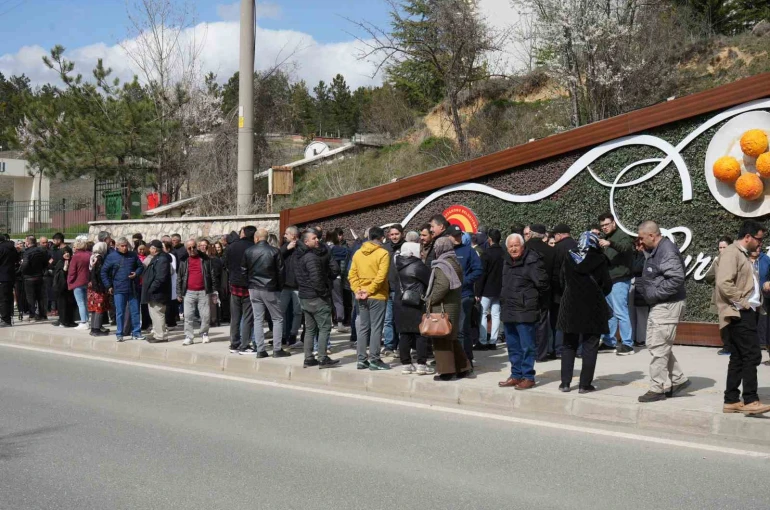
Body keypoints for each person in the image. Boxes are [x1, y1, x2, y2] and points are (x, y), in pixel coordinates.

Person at [715, 221, 770, 415]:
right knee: (752, 355)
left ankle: (731, 400)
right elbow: (724, 283)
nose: (760, 243)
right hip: (740, 312)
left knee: (738, 356)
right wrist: (743, 303)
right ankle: (751, 400)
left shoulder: (742, 254)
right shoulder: (732, 253)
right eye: (759, 239)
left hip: (746, 311)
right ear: (748, 237)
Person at [635, 221, 689, 403]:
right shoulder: (657, 250)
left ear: (652, 235)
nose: (640, 241)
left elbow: (676, 278)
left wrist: (654, 294)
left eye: (642, 238)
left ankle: (656, 388)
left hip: (667, 304)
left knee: (658, 346)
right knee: (656, 344)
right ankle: (679, 379)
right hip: (663, 304)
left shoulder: (666, 250)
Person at [557, 232, 613, 393]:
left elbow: (561, 280)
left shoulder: (569, 256)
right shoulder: (600, 259)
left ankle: (565, 383)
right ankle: (584, 384)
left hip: (570, 305)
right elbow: (607, 285)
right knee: (590, 345)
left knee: (568, 344)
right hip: (593, 306)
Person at [498, 233, 550, 390]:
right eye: (511, 246)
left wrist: (533, 302)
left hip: (525, 310)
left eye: (516, 245)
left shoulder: (532, 260)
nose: (513, 249)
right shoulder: (506, 261)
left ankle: (528, 377)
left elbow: (543, 285)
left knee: (527, 346)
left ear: (522, 246)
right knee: (513, 346)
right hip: (509, 309)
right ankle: (516, 375)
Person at [424, 237, 471, 381]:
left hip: (442, 307)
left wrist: (430, 299)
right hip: (453, 305)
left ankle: (446, 372)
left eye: (436, 247)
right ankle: (463, 368)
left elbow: (442, 286)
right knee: (452, 337)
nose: (435, 250)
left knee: (441, 340)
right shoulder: (454, 261)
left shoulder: (442, 264)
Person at [295, 230, 340, 368]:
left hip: (305, 296)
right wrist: (324, 293)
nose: (317, 240)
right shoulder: (310, 257)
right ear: (306, 241)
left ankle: (309, 358)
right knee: (324, 328)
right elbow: (316, 279)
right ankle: (322, 358)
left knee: (310, 329)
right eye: (314, 238)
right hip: (315, 297)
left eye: (317, 238)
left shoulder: (299, 255)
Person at [348, 226, 391, 370]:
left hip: (361, 295)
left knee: (363, 328)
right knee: (376, 328)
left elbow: (352, 274)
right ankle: (375, 359)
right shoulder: (383, 253)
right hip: (377, 295)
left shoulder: (358, 253)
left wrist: (357, 290)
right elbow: (381, 277)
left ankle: (361, 359)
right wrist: (369, 290)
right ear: (381, 238)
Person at [242, 228, 288, 358]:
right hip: (270, 288)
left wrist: (249, 284)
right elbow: (281, 271)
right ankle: (277, 349)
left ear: (256, 238)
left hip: (253, 288)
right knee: (277, 318)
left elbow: (243, 270)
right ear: (266, 238)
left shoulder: (249, 251)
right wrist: (279, 287)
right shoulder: (274, 251)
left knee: (258, 319)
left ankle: (260, 350)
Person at [598, 212, 635, 355]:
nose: (604, 227)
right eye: (602, 226)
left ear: (614, 223)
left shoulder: (622, 236)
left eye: (607, 224)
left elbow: (626, 248)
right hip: (609, 281)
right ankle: (609, 342)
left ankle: (627, 344)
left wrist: (610, 244)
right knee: (611, 313)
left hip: (619, 279)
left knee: (620, 312)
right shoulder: (607, 238)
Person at [394, 241, 433, 375]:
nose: (421, 253)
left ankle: (406, 364)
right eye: (419, 250)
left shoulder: (396, 263)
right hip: (416, 303)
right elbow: (430, 282)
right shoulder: (418, 265)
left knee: (404, 334)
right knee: (420, 333)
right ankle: (421, 364)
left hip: (400, 302)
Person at [447, 225, 482, 363]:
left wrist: (464, 281)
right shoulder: (444, 251)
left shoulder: (469, 251)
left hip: (464, 295)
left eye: (459, 235)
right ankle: (452, 359)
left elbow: (478, 270)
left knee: (462, 329)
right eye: (454, 235)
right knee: (448, 329)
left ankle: (465, 360)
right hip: (447, 296)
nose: (457, 238)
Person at [524, 224, 558, 362]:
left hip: (526, 290)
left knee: (527, 322)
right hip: (545, 290)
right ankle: (541, 353)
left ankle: (529, 352)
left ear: (531, 233)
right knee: (543, 322)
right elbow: (555, 273)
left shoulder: (524, 248)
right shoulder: (551, 251)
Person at [177, 239, 219, 346]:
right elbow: (179, 277)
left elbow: (212, 275)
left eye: (194, 247)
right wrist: (179, 293)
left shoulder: (205, 259)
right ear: (186, 249)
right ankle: (189, 336)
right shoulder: (183, 261)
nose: (192, 249)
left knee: (205, 315)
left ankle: (204, 333)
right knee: (188, 316)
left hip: (203, 291)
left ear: (197, 247)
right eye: (189, 248)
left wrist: (214, 291)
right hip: (188, 292)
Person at [102, 237, 144, 342]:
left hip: (132, 288)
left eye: (126, 246)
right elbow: (104, 272)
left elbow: (140, 266)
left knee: (135, 311)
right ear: (117, 246)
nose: (124, 248)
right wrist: (108, 286)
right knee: (120, 312)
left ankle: (136, 332)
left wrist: (136, 273)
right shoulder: (111, 257)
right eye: (122, 246)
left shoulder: (133, 255)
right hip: (119, 288)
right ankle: (119, 333)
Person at [225, 226, 256, 353]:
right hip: (248, 285)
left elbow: (226, 264)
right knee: (247, 317)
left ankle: (234, 343)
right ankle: (245, 344)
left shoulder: (231, 246)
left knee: (235, 316)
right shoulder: (253, 247)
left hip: (234, 284)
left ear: (243, 233)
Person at [551, 224, 578, 358]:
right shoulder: (577, 245)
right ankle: (577, 349)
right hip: (577, 289)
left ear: (559, 235)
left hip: (561, 291)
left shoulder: (558, 248)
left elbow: (555, 272)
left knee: (560, 321)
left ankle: (559, 349)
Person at [704, 236, 734, 356]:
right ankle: (727, 347)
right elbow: (708, 276)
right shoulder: (717, 261)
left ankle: (734, 348)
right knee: (724, 323)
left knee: (734, 323)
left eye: (724, 247)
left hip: (733, 297)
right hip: (722, 297)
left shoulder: (736, 260)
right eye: (720, 247)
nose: (721, 250)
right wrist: (717, 283)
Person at [476, 228, 503, 350]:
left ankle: (482, 340)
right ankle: (493, 341)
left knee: (483, 314)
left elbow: (483, 274)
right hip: (499, 288)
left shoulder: (486, 254)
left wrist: (478, 291)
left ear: (490, 239)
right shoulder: (504, 253)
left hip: (487, 289)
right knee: (496, 315)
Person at [141, 240, 171, 343]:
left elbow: (160, 278)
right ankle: (157, 333)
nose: (149, 249)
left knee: (158, 313)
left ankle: (161, 336)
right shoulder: (157, 258)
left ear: (154, 249)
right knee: (153, 313)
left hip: (158, 292)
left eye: (150, 248)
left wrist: (151, 288)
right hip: (153, 292)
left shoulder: (162, 259)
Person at [383, 224, 406, 355]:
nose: (394, 237)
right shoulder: (385, 248)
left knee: (401, 319)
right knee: (388, 319)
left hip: (402, 290)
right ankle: (389, 345)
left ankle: (402, 346)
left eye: (396, 234)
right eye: (392, 234)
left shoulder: (406, 247)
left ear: (402, 234)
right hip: (388, 289)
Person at [280, 226, 303, 349]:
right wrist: (286, 248)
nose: (284, 236)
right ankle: (283, 335)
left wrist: (298, 245)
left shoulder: (301, 247)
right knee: (281, 311)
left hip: (298, 285)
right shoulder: (285, 246)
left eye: (287, 234)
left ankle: (293, 334)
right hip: (285, 285)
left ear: (293, 235)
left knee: (297, 312)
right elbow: (277, 255)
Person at [20, 236, 49, 321]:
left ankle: (32, 315)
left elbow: (25, 264)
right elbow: (46, 262)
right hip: (40, 276)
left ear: (28, 243)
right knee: (41, 297)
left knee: (30, 297)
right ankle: (43, 315)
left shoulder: (27, 252)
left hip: (29, 277)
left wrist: (22, 270)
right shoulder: (42, 251)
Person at [328, 230, 351, 334]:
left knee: (328, 300)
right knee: (338, 299)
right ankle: (340, 322)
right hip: (336, 277)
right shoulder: (341, 249)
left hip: (326, 277)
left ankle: (331, 321)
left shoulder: (325, 248)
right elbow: (347, 256)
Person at [67, 239, 91, 330]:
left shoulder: (76, 256)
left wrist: (69, 282)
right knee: (85, 302)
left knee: (80, 303)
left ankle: (83, 322)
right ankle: (86, 321)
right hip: (87, 281)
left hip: (77, 282)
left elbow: (72, 271)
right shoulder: (89, 255)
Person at [87, 242, 111, 337]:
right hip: (98, 287)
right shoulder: (100, 258)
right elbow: (99, 274)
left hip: (92, 287)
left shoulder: (93, 257)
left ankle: (93, 328)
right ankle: (96, 329)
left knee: (94, 308)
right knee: (99, 308)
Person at [630, 237, 649, 348]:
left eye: (639, 245)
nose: (637, 248)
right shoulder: (636, 255)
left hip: (642, 285)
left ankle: (641, 339)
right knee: (632, 313)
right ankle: (632, 338)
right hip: (635, 284)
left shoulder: (647, 255)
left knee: (641, 314)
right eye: (636, 245)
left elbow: (637, 268)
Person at [53, 246, 77, 328]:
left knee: (71, 304)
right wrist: (64, 270)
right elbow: (57, 275)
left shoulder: (72, 261)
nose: (67, 254)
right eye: (64, 253)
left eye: (68, 252)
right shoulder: (60, 262)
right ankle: (63, 321)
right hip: (62, 288)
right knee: (63, 305)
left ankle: (70, 320)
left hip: (70, 286)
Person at [0, 234, 19, 327]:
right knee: (8, 297)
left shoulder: (1, 248)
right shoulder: (12, 248)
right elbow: (17, 259)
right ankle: (8, 317)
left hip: (2, 276)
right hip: (10, 275)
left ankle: (5, 319)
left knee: (3, 299)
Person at [163, 241, 179, 328]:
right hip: (167, 282)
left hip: (171, 281)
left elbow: (172, 269)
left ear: (168, 249)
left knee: (171, 303)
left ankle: (171, 322)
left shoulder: (171, 256)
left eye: (163, 247)